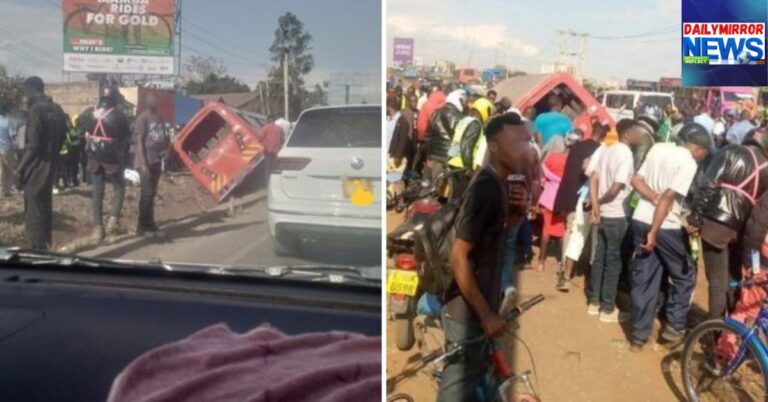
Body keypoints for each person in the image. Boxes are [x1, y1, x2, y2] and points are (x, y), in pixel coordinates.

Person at [438, 113, 530, 402]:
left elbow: (493, 241)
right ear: (493, 146)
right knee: (454, 391)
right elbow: (458, 257)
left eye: (525, 141)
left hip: (481, 304)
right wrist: (486, 314)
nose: (523, 149)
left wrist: (515, 215)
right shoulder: (485, 189)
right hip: (466, 312)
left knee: (479, 380)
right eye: (514, 142)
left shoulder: (501, 183)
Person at [628, 123, 712, 351]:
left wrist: (652, 197)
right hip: (665, 225)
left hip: (639, 218)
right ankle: (674, 326)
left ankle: (638, 337)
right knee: (685, 275)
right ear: (699, 149)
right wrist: (654, 231)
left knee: (645, 279)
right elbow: (668, 197)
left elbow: (636, 180)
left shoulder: (659, 149)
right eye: (705, 153)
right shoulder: (688, 163)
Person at [688, 127, 768, 319]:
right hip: (741, 231)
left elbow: (708, 185)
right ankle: (731, 333)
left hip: (716, 226)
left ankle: (716, 335)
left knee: (717, 284)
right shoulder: (766, 167)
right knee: (734, 280)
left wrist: (695, 218)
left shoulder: (730, 151)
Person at [587, 118, 642, 323]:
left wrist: (595, 205)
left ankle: (594, 302)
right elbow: (616, 187)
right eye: (636, 131)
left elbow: (593, 177)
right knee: (613, 261)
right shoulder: (625, 154)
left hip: (602, 214)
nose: (639, 135)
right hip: (617, 214)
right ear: (627, 134)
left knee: (599, 258)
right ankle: (607, 308)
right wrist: (600, 202)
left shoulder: (607, 149)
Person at [13, 77, 67, 250]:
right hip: (52, 164)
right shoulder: (57, 109)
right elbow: (63, 137)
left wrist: (19, 170)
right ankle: (46, 247)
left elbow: (33, 146)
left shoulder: (36, 110)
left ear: (31, 90)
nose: (25, 96)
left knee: (34, 209)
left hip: (36, 166)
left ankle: (37, 251)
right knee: (45, 205)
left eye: (25, 92)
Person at [554, 124, 604, 291]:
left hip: (581, 197)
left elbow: (583, 167)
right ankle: (590, 282)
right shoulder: (602, 150)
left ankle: (566, 274)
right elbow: (586, 167)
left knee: (575, 235)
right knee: (594, 243)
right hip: (597, 201)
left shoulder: (580, 147)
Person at [82, 86, 131, 241]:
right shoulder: (119, 115)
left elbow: (81, 129)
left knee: (97, 193)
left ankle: (98, 229)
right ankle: (112, 221)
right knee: (119, 187)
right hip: (112, 159)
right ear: (115, 98)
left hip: (94, 157)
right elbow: (126, 137)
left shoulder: (89, 113)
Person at [133, 93, 170, 238]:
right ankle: (142, 227)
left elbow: (164, 138)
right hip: (145, 162)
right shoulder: (142, 119)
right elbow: (139, 141)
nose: (154, 101)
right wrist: (143, 164)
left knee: (152, 194)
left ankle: (151, 225)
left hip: (156, 161)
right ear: (146, 102)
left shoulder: (159, 118)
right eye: (151, 99)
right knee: (146, 194)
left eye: (156, 99)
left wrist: (166, 152)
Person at [535, 136, 568, 272]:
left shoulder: (551, 158)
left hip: (549, 199)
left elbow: (542, 178)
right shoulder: (568, 160)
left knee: (546, 230)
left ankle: (541, 261)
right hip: (563, 200)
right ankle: (563, 261)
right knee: (562, 232)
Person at [259, 114, 285, 184]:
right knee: (275, 167)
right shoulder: (279, 128)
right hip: (276, 151)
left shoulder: (265, 128)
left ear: (269, 120)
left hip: (267, 150)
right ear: (274, 120)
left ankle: (269, 182)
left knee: (268, 168)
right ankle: (276, 182)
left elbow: (260, 138)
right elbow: (283, 139)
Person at [0, 101, 18, 197]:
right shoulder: (9, 121)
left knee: (1, 170)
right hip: (7, 148)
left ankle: (1, 190)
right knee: (9, 170)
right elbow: (13, 136)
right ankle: (7, 190)